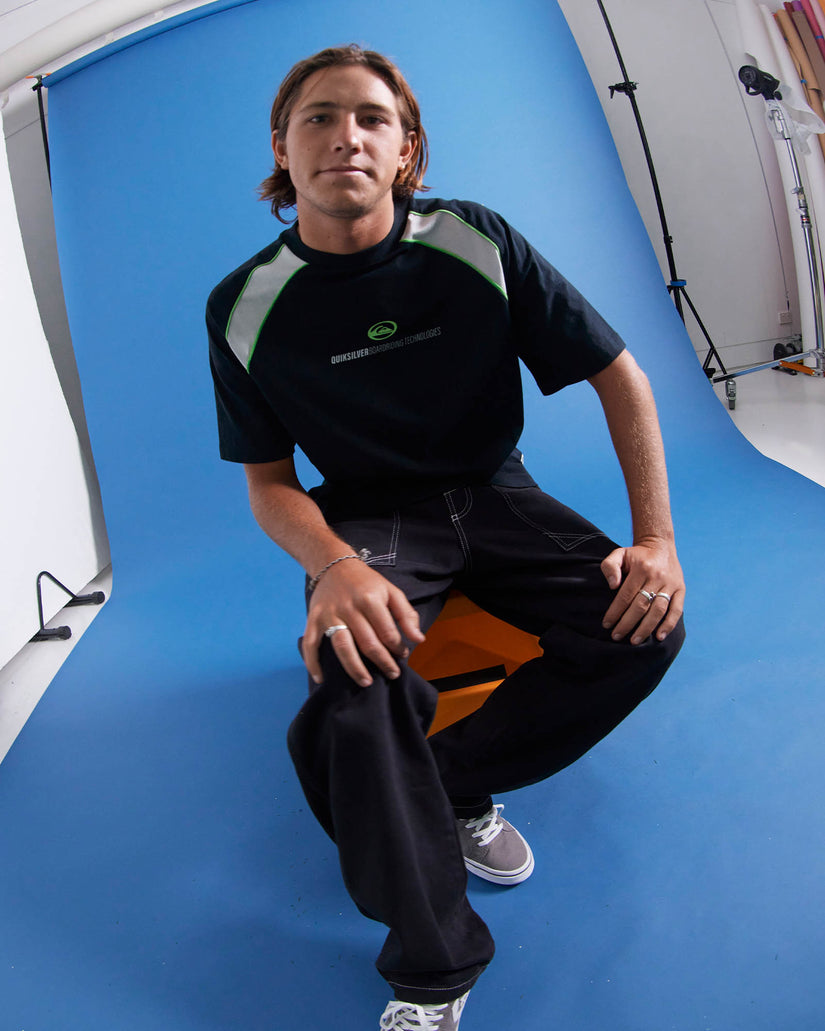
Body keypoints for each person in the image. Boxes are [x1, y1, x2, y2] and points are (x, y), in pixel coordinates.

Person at [207, 44, 685, 1031]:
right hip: (368, 515)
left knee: (648, 622)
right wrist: (334, 565)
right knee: (355, 682)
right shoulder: (243, 303)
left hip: (496, 489)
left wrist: (657, 541)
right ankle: (434, 968)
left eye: (372, 118)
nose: (346, 135)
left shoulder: (474, 238)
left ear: (406, 150)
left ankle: (449, 783)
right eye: (319, 116)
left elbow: (621, 376)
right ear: (282, 148)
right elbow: (268, 482)